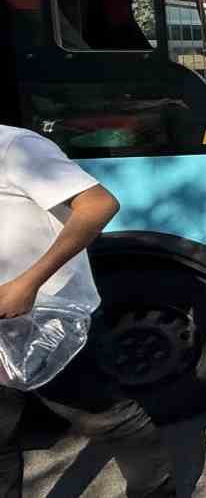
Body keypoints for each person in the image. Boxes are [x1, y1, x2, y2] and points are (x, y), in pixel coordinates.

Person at [0, 125, 176, 498]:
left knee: (108, 418)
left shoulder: (15, 146)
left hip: (45, 317)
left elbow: (99, 204)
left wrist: (28, 282)